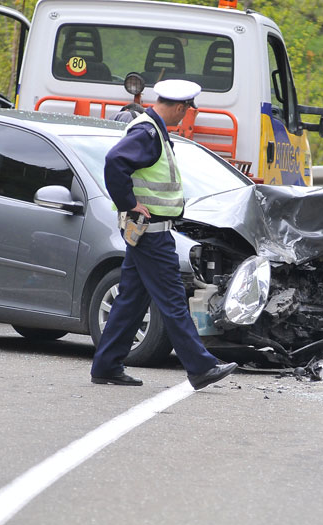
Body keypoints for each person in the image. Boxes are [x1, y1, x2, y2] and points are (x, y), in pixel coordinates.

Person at [91, 79, 237, 389]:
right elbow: (115, 162)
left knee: (130, 300)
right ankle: (200, 367)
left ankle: (106, 366)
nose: (185, 118)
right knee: (172, 301)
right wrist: (129, 203)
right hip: (153, 236)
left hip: (147, 234)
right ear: (181, 107)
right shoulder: (147, 132)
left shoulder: (152, 129)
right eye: (186, 112)